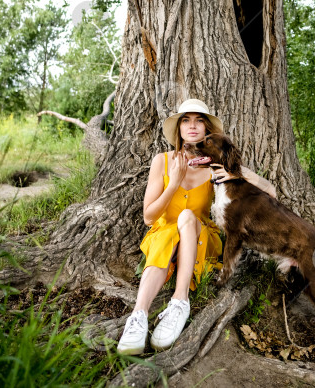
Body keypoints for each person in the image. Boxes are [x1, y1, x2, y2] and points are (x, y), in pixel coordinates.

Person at [117, 98, 276, 355]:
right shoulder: (163, 161)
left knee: (188, 217)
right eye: (186, 121)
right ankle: (138, 317)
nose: (192, 126)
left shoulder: (218, 165)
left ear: (207, 130)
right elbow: (149, 218)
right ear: (179, 129)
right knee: (166, 236)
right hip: (164, 233)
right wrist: (174, 183)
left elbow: (271, 191)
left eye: (199, 121)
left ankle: (180, 302)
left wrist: (239, 175)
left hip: (202, 237)